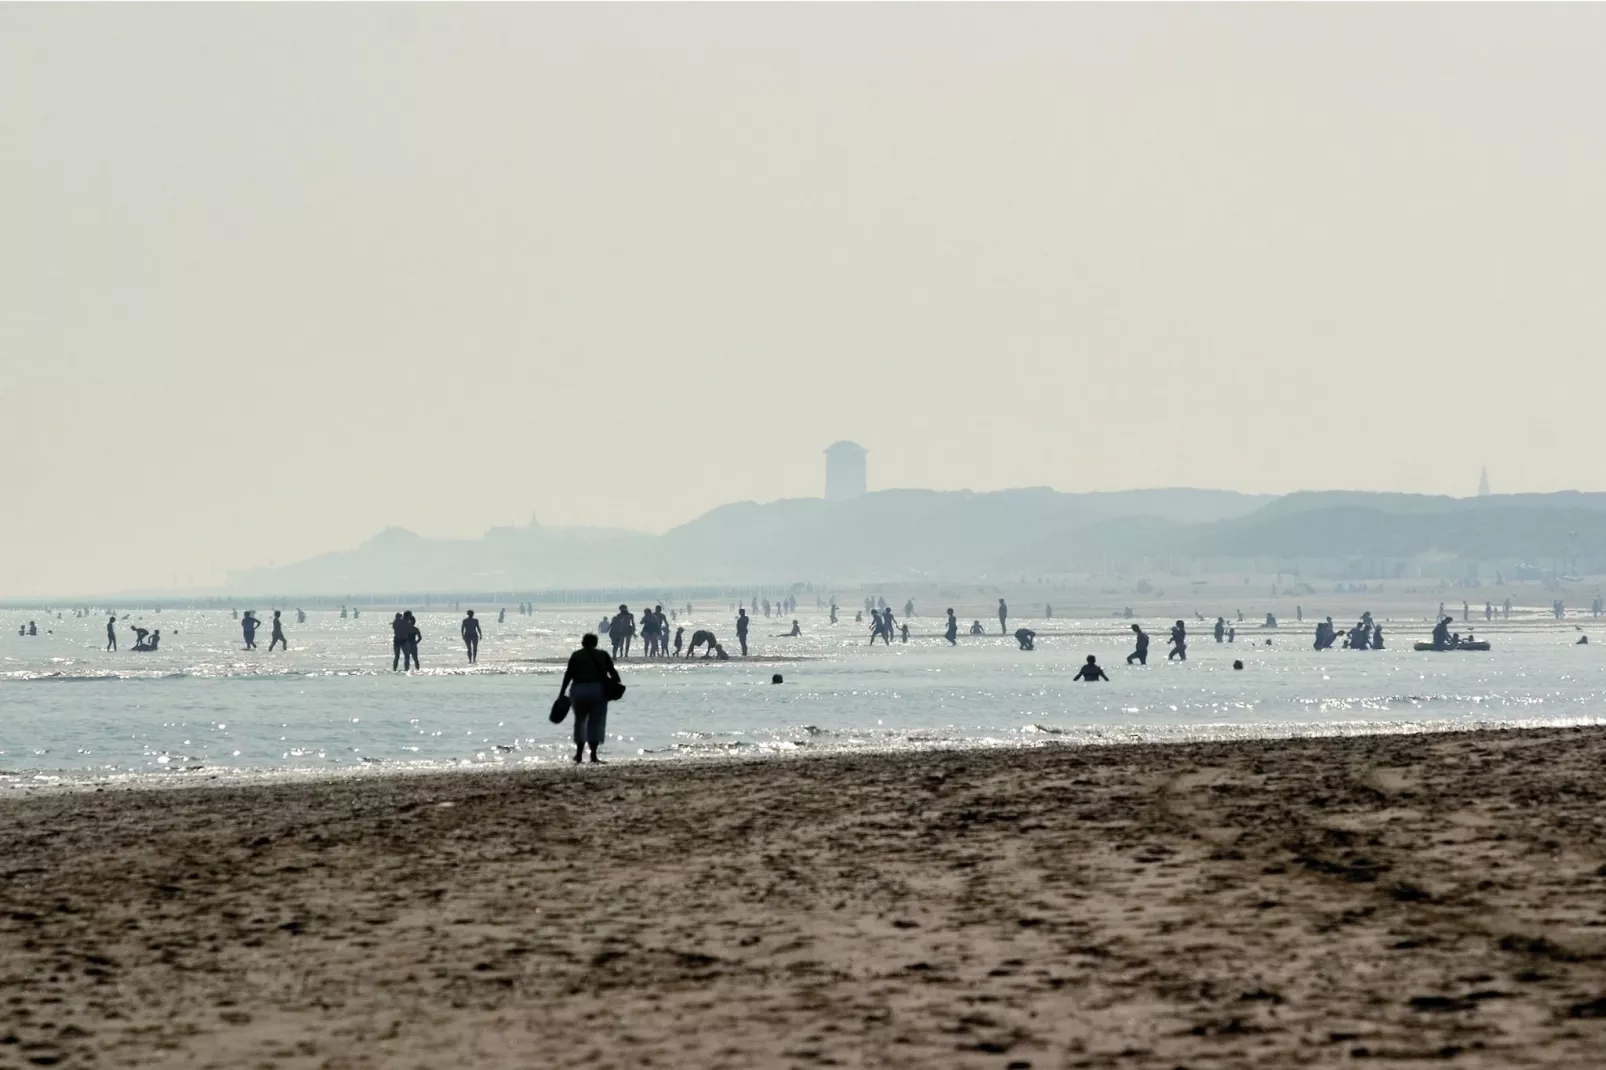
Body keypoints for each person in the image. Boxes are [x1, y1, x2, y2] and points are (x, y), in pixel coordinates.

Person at [557, 633, 622, 764]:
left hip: (578, 689)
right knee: (596, 723)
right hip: (597, 690)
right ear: (596, 643)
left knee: (580, 721)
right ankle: (593, 755)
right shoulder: (602, 654)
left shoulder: (576, 655)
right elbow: (612, 672)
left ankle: (579, 754)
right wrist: (616, 685)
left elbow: (568, 674)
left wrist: (562, 692)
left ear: (583, 643)